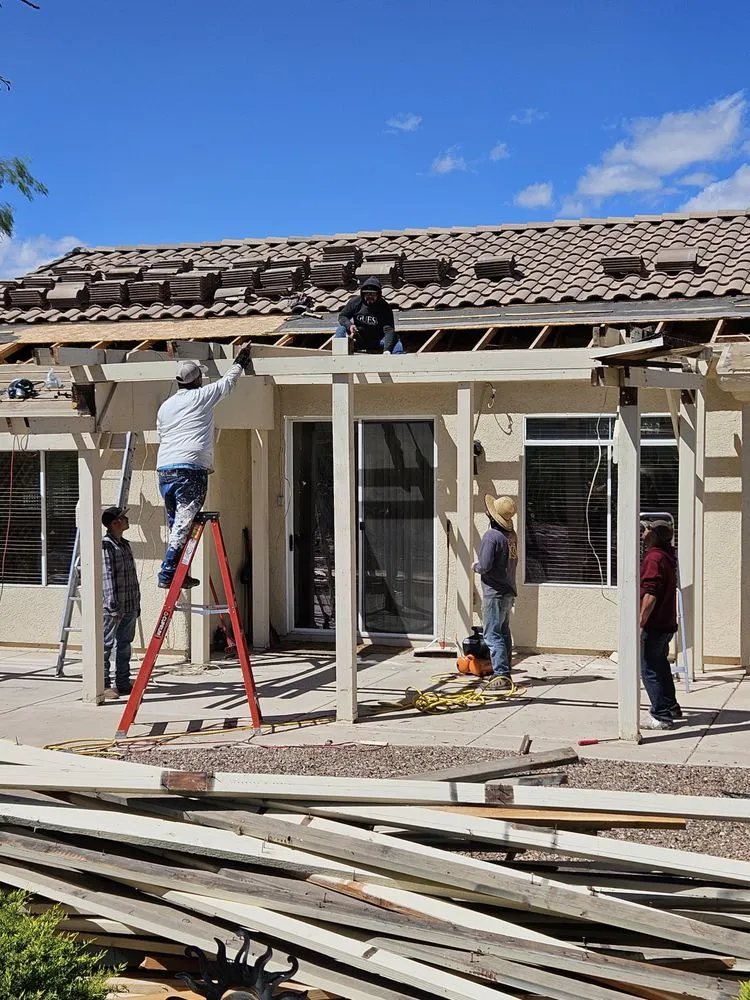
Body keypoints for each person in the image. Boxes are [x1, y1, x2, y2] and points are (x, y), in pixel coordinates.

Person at [156, 344, 252, 589]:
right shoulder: (200, 396)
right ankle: (167, 574)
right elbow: (227, 382)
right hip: (190, 468)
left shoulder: (165, 406)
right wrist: (241, 358)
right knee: (183, 523)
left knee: (176, 523)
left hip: (165, 469)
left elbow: (161, 432)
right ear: (197, 380)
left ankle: (179, 572)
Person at [473, 495, 518, 692]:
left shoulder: (491, 536)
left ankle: (500, 675)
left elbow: (484, 565)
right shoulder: (511, 536)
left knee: (492, 635)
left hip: (494, 592)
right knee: (504, 631)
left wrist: (475, 566)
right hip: (508, 591)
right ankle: (505, 671)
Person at [640, 519, 681, 730]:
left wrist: (640, 623)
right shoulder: (667, 556)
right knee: (661, 664)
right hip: (667, 623)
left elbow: (650, 593)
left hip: (654, 625)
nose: (643, 533)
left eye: (646, 530)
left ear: (654, 534)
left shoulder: (654, 558)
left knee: (648, 669)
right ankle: (671, 706)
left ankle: (661, 716)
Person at [101, 506, 140, 699]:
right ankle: (104, 684)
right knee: (106, 645)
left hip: (130, 604)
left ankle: (123, 682)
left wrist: (137, 602)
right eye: (123, 518)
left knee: (124, 644)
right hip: (114, 607)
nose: (127, 520)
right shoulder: (106, 546)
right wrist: (112, 604)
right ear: (115, 523)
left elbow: (132, 576)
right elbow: (106, 576)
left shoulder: (124, 544)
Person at [334, 276, 404, 354]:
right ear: (363, 294)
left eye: (373, 294)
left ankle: (396, 359)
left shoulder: (384, 307)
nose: (369, 297)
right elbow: (342, 316)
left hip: (378, 340)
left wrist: (387, 350)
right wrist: (349, 325)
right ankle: (339, 356)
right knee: (341, 329)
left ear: (378, 295)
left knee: (396, 341)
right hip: (359, 338)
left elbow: (389, 330)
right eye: (367, 294)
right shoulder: (355, 302)